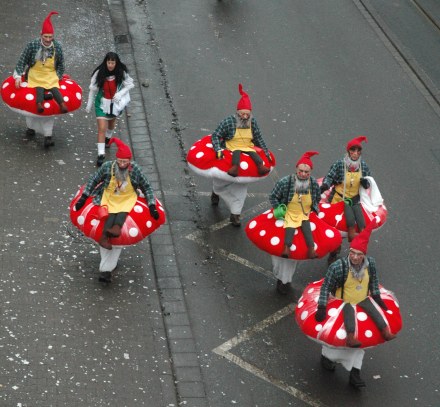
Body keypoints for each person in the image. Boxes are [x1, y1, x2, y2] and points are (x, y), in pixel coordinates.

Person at [314, 220, 396, 388]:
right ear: (349, 252)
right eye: (353, 253)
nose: (356, 257)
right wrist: (322, 306)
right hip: (343, 302)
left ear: (364, 255)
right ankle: (330, 356)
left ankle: (355, 374)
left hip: (363, 299)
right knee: (344, 330)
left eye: (359, 254)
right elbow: (325, 287)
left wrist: (378, 298)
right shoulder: (338, 267)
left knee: (374, 318)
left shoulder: (370, 264)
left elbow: (373, 282)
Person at [74, 137, 159, 282]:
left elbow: (147, 186)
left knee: (122, 212)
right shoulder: (108, 167)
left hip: (127, 198)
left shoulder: (135, 170)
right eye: (119, 161)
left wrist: (151, 205)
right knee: (108, 214)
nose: (122, 164)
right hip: (109, 196)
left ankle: (115, 228)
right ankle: (105, 265)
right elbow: (94, 179)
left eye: (125, 162)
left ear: (129, 161)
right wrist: (84, 197)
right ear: (116, 160)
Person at [210, 84, 272, 226]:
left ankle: (235, 214)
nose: (245, 117)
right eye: (242, 114)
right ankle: (217, 191)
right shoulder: (228, 122)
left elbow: (258, 138)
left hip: (248, 148)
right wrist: (218, 149)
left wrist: (266, 153)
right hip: (233, 148)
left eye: (247, 114)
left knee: (241, 187)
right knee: (221, 179)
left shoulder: (253, 122)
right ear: (237, 113)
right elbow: (216, 136)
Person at [13, 11, 67, 147]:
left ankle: (49, 132)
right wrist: (18, 76)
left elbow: (61, 64)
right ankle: (34, 118)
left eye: (50, 37)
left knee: (54, 91)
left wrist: (58, 76)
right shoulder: (32, 45)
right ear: (41, 35)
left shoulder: (57, 47)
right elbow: (22, 61)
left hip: (50, 75)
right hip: (35, 75)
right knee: (36, 94)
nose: (48, 39)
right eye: (46, 36)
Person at [85, 52, 134, 167]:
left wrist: (120, 93)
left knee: (111, 124)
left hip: (115, 105)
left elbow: (130, 85)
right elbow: (93, 89)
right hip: (101, 104)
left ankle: (108, 137)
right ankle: (101, 154)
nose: (110, 65)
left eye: (113, 62)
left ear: (116, 63)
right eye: (109, 62)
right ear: (105, 62)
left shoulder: (121, 72)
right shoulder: (99, 73)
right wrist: (89, 103)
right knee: (102, 127)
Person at [270, 151, 321, 261]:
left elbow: (317, 197)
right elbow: (273, 196)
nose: (303, 174)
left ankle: (311, 249)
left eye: (306, 172)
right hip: (290, 212)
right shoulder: (285, 182)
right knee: (290, 227)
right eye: (301, 171)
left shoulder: (313, 183)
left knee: (306, 227)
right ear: (296, 169)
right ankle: (286, 247)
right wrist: (279, 208)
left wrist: (314, 207)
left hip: (305, 213)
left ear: (310, 172)